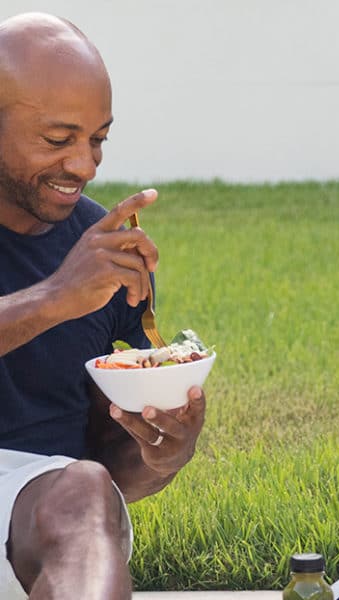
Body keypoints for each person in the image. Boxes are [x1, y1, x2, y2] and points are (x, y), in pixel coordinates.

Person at [0, 12, 207, 600]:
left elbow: (104, 461)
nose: (85, 166)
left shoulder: (102, 250)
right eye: (57, 139)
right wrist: (54, 298)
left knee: (86, 488)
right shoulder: (80, 273)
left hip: (34, 514)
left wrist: (161, 451)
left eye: (97, 140)